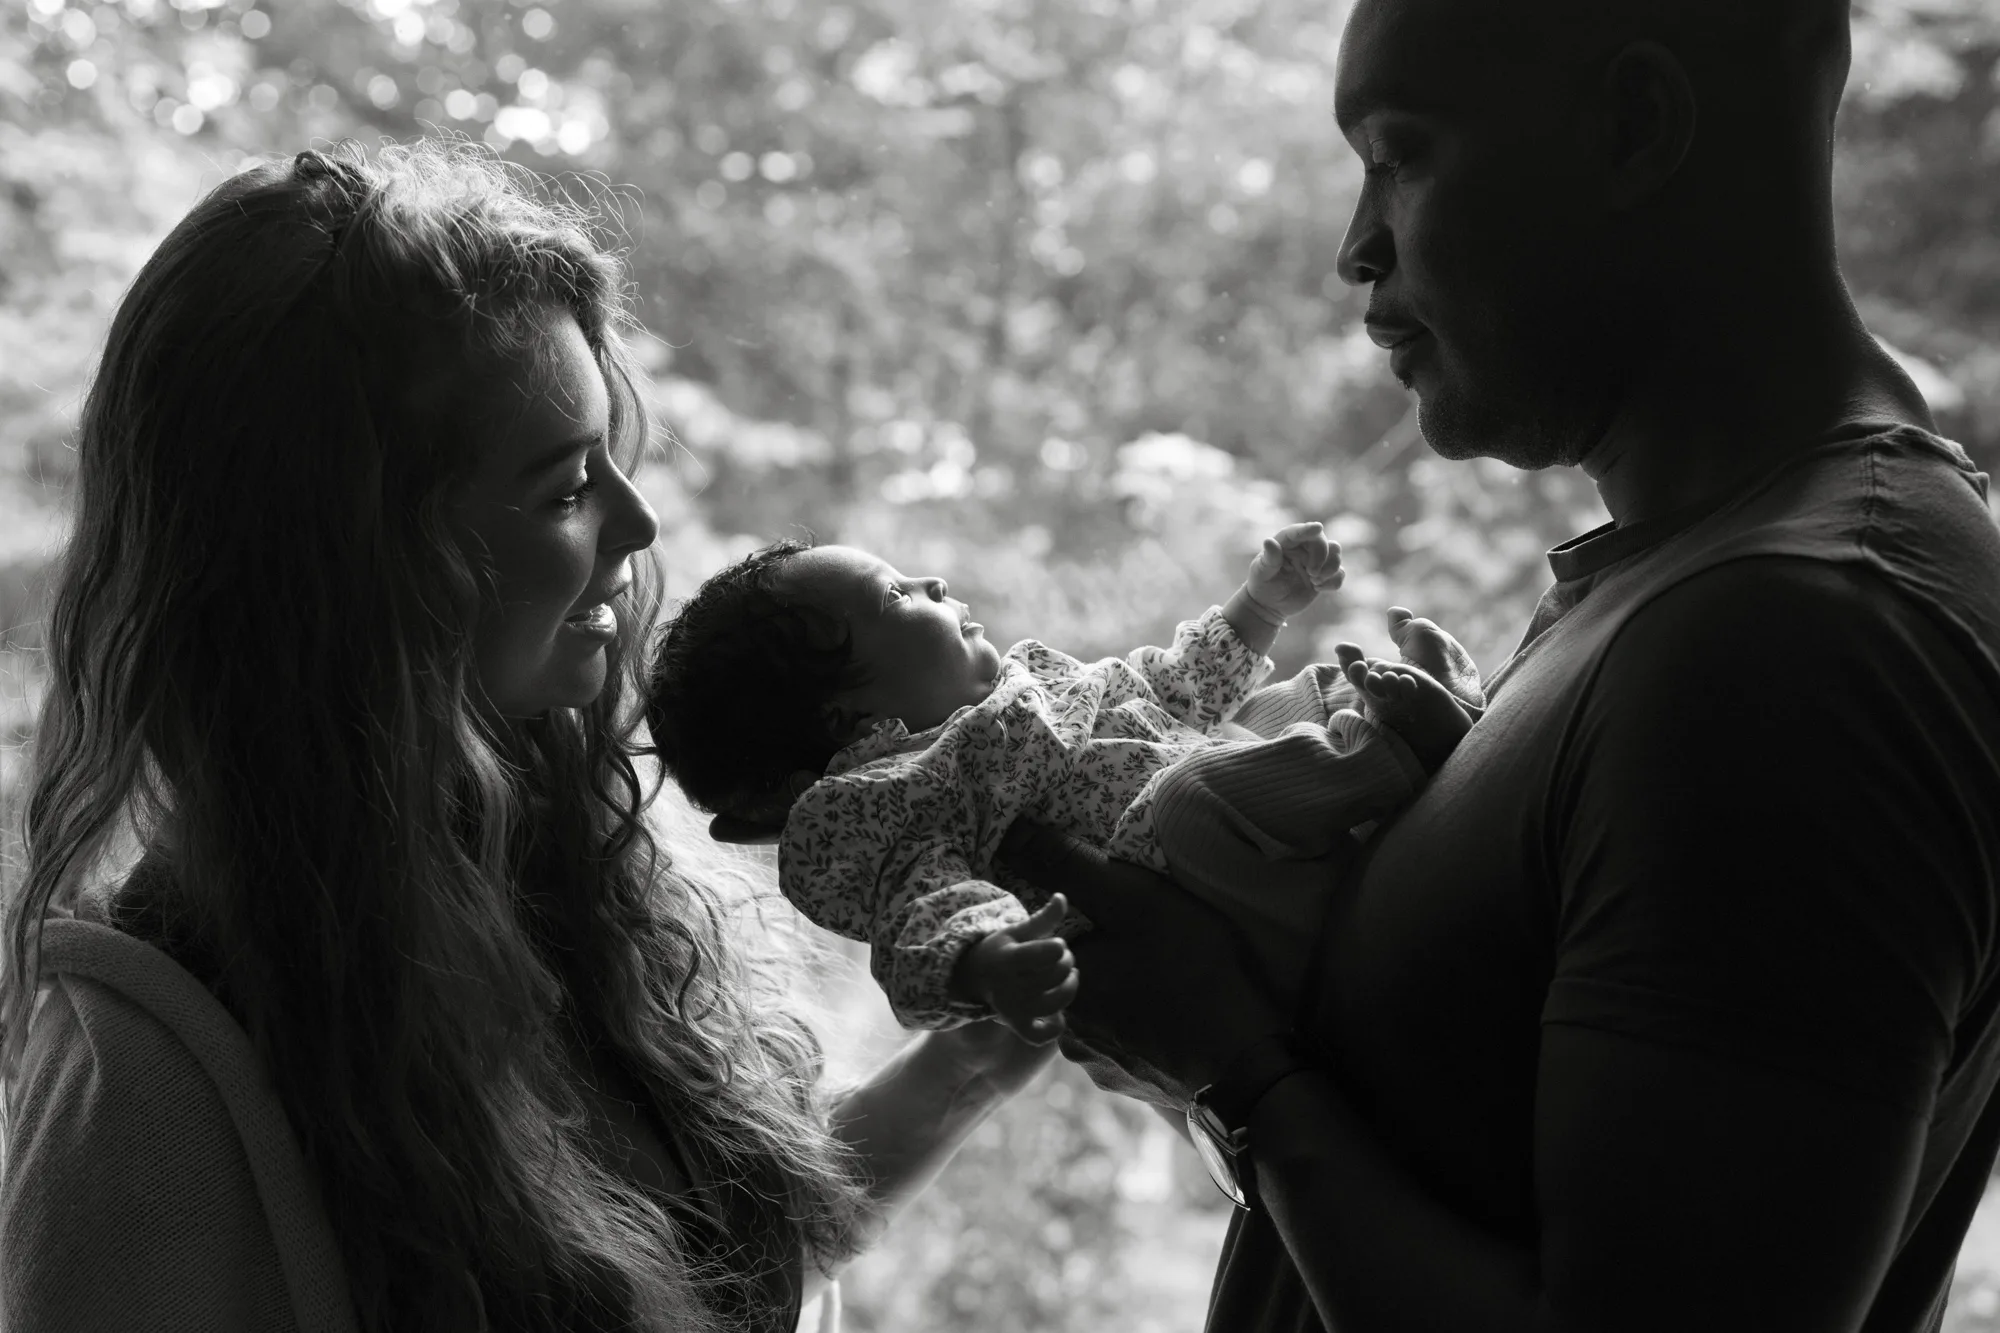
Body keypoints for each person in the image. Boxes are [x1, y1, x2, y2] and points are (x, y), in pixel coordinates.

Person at [998, 1, 2000, 1330]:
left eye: (1399, 157)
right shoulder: (1701, 576)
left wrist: (1231, 1066)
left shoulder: (1800, 640)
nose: (1356, 249)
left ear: (1634, 125)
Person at [0, 140, 1056, 1333]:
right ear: (358, 567)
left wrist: (970, 1061)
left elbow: (715, 1279)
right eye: (564, 488)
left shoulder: (567, 879)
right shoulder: (149, 1078)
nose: (639, 523)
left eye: (614, 460)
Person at [645, 530, 1481, 1041]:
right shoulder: (891, 802)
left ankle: (1406, 716)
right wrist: (988, 961)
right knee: (1192, 797)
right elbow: (920, 911)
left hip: (1233, 790)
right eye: (894, 595)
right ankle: (1394, 745)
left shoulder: (1032, 684)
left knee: (1278, 704)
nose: (934, 582)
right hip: (1199, 868)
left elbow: (1170, 688)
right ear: (847, 718)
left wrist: (1258, 605)